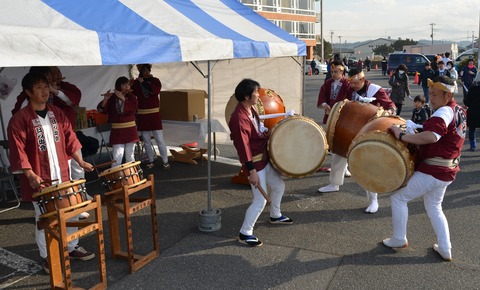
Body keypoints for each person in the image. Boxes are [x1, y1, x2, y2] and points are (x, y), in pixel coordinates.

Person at [7, 72, 95, 273]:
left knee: (69, 211)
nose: (45, 90)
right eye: (39, 87)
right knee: (45, 217)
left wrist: (80, 161)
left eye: (45, 86)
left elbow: (69, 137)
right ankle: (47, 256)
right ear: (28, 92)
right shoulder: (20, 119)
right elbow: (18, 150)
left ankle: (72, 247)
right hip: (40, 179)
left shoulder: (57, 112)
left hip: (63, 174)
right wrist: (29, 174)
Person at [384, 76, 466, 262]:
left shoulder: (444, 111)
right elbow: (445, 134)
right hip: (447, 171)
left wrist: (403, 135)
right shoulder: (457, 109)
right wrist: (419, 127)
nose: (431, 97)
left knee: (399, 198)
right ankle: (445, 248)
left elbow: (432, 136)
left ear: (448, 95)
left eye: (436, 94)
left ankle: (398, 238)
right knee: (434, 207)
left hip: (434, 170)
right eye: (431, 93)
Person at [318, 68, 396, 214]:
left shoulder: (375, 90)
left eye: (354, 83)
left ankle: (373, 200)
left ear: (362, 80)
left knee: (367, 164)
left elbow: (391, 106)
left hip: (368, 132)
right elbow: (343, 104)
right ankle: (334, 184)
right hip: (350, 128)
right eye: (350, 83)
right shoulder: (350, 89)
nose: (351, 86)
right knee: (338, 154)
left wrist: (388, 112)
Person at [228, 79, 292, 247]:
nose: (258, 95)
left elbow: (258, 129)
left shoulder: (250, 109)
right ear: (247, 96)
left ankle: (275, 215)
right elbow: (243, 148)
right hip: (254, 163)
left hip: (262, 158)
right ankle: (245, 232)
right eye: (256, 93)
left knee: (278, 186)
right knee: (260, 200)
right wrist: (251, 172)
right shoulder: (239, 119)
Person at [131, 64, 170, 170]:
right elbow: (131, 93)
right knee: (146, 141)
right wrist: (131, 84)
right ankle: (151, 160)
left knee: (159, 139)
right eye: (144, 71)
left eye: (147, 70)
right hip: (142, 115)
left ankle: (165, 161)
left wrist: (142, 82)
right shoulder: (136, 83)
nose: (146, 72)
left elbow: (154, 91)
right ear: (141, 72)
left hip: (154, 114)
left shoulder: (155, 81)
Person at [97, 77, 139, 167]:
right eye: (124, 85)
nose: (127, 87)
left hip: (130, 130)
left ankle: (131, 178)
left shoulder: (132, 97)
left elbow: (133, 109)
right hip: (117, 131)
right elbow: (102, 110)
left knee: (130, 156)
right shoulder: (112, 98)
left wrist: (123, 99)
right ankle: (116, 179)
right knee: (117, 157)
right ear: (118, 86)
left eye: (128, 85)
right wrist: (105, 100)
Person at [464, 74, 480, 151]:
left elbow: (467, 102)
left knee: (472, 130)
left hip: (473, 112)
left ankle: (473, 146)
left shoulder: (472, 89)